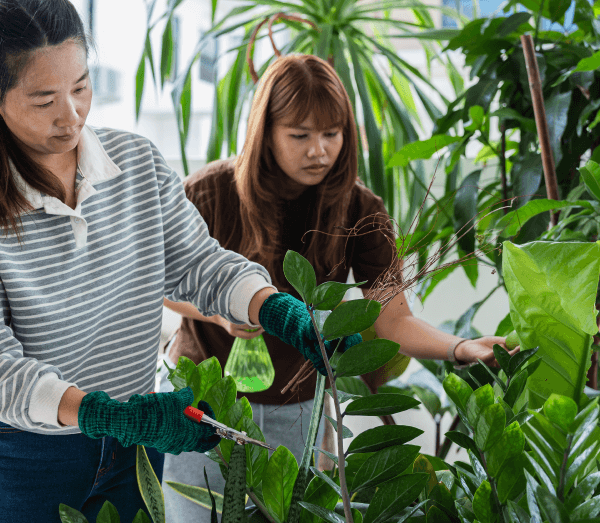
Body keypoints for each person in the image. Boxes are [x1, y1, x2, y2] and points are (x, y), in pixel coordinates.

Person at [0, 0, 356, 522]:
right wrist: (104, 416)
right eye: (43, 100)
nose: (70, 115)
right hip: (30, 459)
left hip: (135, 450)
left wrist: (276, 309)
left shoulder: (137, 163)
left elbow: (199, 264)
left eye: (81, 87)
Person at [159, 53, 520, 522]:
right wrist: (220, 313)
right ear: (266, 132)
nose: (319, 151)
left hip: (296, 405)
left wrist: (462, 348)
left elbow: (393, 319)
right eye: (300, 135)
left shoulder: (360, 209)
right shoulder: (209, 192)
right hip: (201, 400)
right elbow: (160, 283)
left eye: (332, 134)